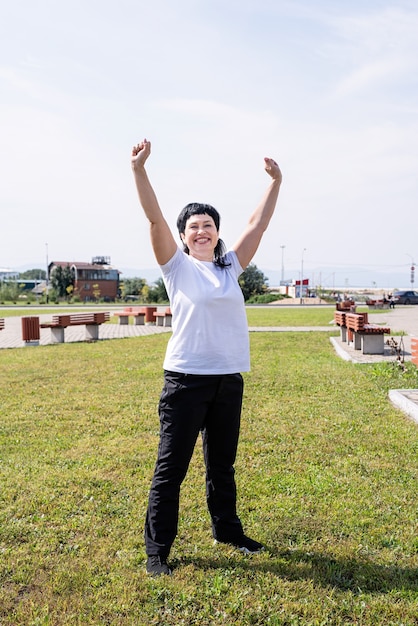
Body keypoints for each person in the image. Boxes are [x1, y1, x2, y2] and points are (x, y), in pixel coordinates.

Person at [131, 139, 282, 576]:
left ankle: (227, 530)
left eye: (209, 225)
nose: (202, 230)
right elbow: (153, 216)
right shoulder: (175, 267)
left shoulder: (228, 267)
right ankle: (158, 551)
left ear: (217, 232)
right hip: (185, 381)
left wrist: (275, 182)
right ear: (183, 236)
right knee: (171, 468)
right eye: (194, 226)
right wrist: (139, 169)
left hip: (227, 380)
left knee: (222, 463)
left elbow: (259, 224)